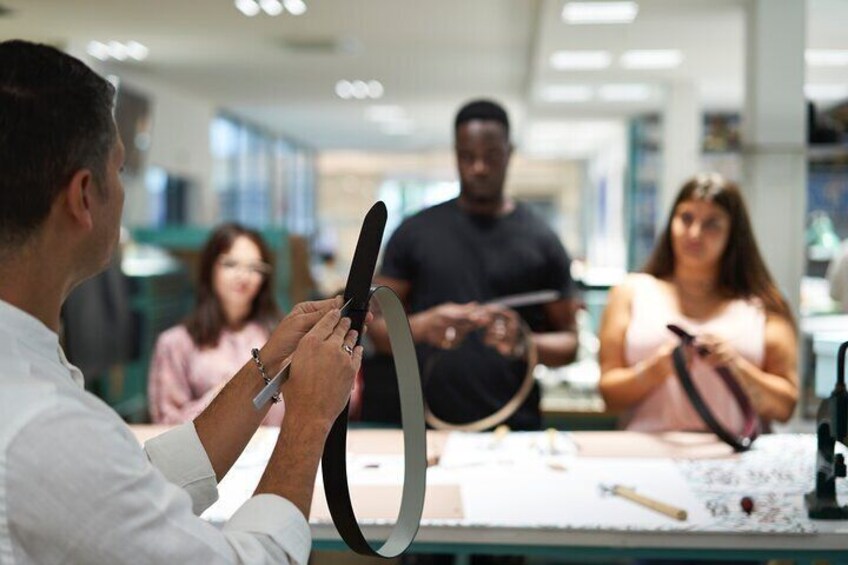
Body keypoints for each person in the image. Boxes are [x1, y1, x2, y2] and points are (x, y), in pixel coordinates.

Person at [0, 39, 363, 564]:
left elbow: (133, 486)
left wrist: (270, 365)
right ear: (83, 196)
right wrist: (308, 420)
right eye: (119, 171)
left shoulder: (28, 378)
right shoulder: (43, 426)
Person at [369, 99, 579, 431]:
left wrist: (524, 343)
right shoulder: (415, 232)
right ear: (456, 154)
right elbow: (376, 332)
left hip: (514, 429)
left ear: (509, 152)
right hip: (423, 427)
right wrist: (424, 326)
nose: (479, 167)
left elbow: (569, 345)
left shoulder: (542, 239)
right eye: (468, 156)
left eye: (491, 156)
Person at [598, 173, 798, 432]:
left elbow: (786, 408)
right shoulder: (631, 293)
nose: (694, 233)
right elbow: (608, 396)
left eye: (712, 223)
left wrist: (736, 368)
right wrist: (654, 371)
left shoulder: (764, 306)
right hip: (647, 460)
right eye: (686, 218)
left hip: (735, 462)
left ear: (734, 234)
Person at [148, 223, 285, 425]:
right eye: (231, 264)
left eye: (254, 268)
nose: (243, 276)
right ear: (210, 269)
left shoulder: (281, 338)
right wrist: (223, 395)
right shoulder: (175, 343)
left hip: (275, 453)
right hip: (205, 457)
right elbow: (166, 424)